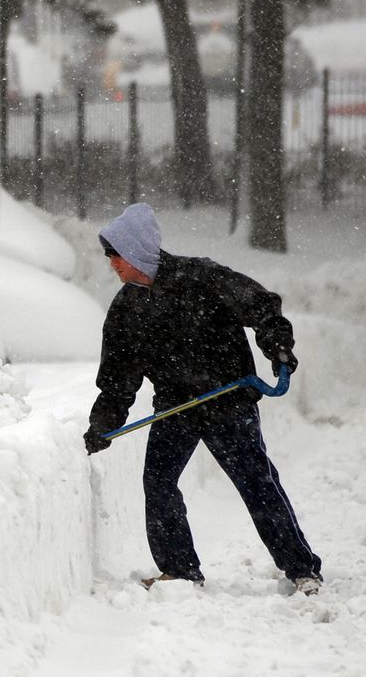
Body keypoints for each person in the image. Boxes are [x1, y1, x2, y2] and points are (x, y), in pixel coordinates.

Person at [82, 202, 323, 596]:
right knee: (158, 483)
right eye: (110, 256)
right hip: (176, 407)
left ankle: (301, 569)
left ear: (138, 251)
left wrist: (276, 344)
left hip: (228, 401)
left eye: (117, 255)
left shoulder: (202, 278)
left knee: (257, 484)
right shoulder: (127, 308)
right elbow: (117, 379)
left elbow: (260, 304)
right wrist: (102, 425)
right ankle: (179, 570)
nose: (112, 264)